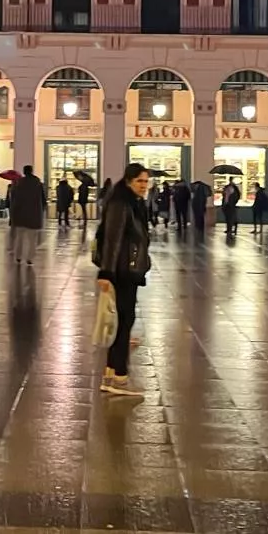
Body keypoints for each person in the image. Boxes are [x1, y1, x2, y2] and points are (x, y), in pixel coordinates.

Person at [94, 163, 153, 397]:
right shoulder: (121, 204)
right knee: (124, 321)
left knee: (124, 320)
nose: (144, 186)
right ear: (128, 181)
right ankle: (119, 377)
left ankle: (111, 372)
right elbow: (112, 239)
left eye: (146, 182)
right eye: (139, 181)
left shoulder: (132, 203)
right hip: (121, 271)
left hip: (128, 270)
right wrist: (106, 273)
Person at [10, 165, 46, 265]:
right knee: (32, 239)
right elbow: (43, 200)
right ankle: (30, 258)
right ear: (32, 171)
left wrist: (13, 215)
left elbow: (15, 200)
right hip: (33, 215)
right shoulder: (37, 183)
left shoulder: (19, 183)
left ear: (24, 172)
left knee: (19, 237)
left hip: (20, 215)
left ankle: (18, 256)